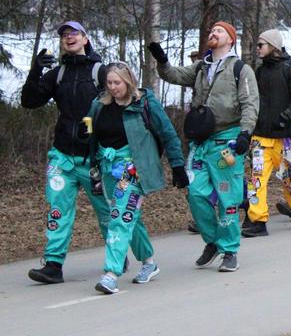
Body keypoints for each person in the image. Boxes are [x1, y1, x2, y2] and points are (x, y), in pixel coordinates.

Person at [152, 21, 259, 272]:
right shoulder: (202, 67)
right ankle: (213, 241)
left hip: (227, 141)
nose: (213, 33)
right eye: (212, 30)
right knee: (195, 192)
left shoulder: (241, 69)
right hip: (201, 142)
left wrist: (245, 134)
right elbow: (173, 75)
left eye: (219, 31)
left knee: (227, 197)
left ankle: (229, 250)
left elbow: (250, 103)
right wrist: (162, 61)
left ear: (230, 39)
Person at [22, 21, 123, 284]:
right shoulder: (58, 74)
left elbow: (122, 104)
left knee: (106, 210)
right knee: (58, 210)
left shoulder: (101, 72)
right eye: (65, 35)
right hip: (62, 156)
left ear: (85, 38)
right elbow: (29, 101)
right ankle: (53, 265)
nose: (69, 38)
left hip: (94, 160)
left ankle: (117, 253)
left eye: (74, 33)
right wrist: (35, 70)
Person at [84, 63, 187, 294]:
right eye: (109, 83)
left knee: (120, 217)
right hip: (107, 167)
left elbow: (168, 133)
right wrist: (86, 147)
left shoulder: (144, 103)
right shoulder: (99, 104)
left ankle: (111, 274)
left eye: (117, 83)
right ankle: (149, 262)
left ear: (128, 81)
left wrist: (177, 165)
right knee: (130, 216)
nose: (113, 87)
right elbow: (89, 134)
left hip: (133, 168)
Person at [242, 29, 291, 236]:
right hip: (261, 135)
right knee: (257, 179)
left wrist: (283, 118)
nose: (257, 49)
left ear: (273, 46)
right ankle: (258, 221)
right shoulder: (259, 71)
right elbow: (252, 100)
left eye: (261, 45)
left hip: (287, 136)